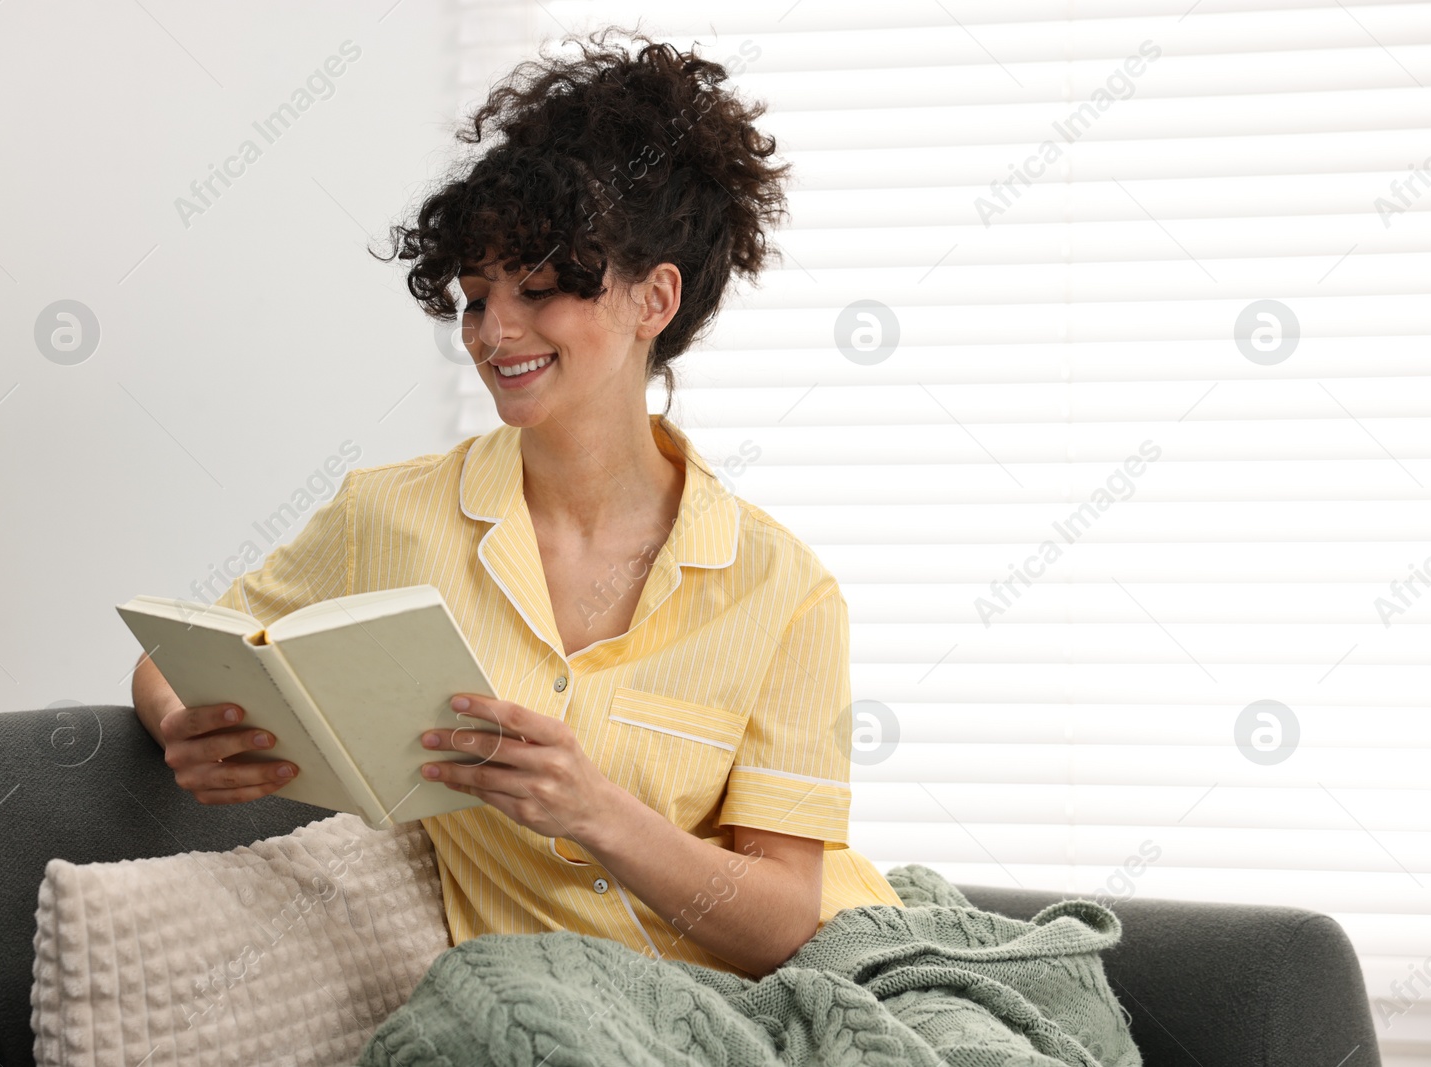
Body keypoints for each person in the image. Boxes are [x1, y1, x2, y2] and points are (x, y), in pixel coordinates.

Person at [131, 25, 903, 980]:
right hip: (552, 1010)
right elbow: (179, 652)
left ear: (653, 300)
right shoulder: (392, 518)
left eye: (539, 289)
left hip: (813, 989)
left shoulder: (783, 589)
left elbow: (794, 923)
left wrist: (594, 810)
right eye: (474, 295)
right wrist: (183, 726)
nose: (496, 333)